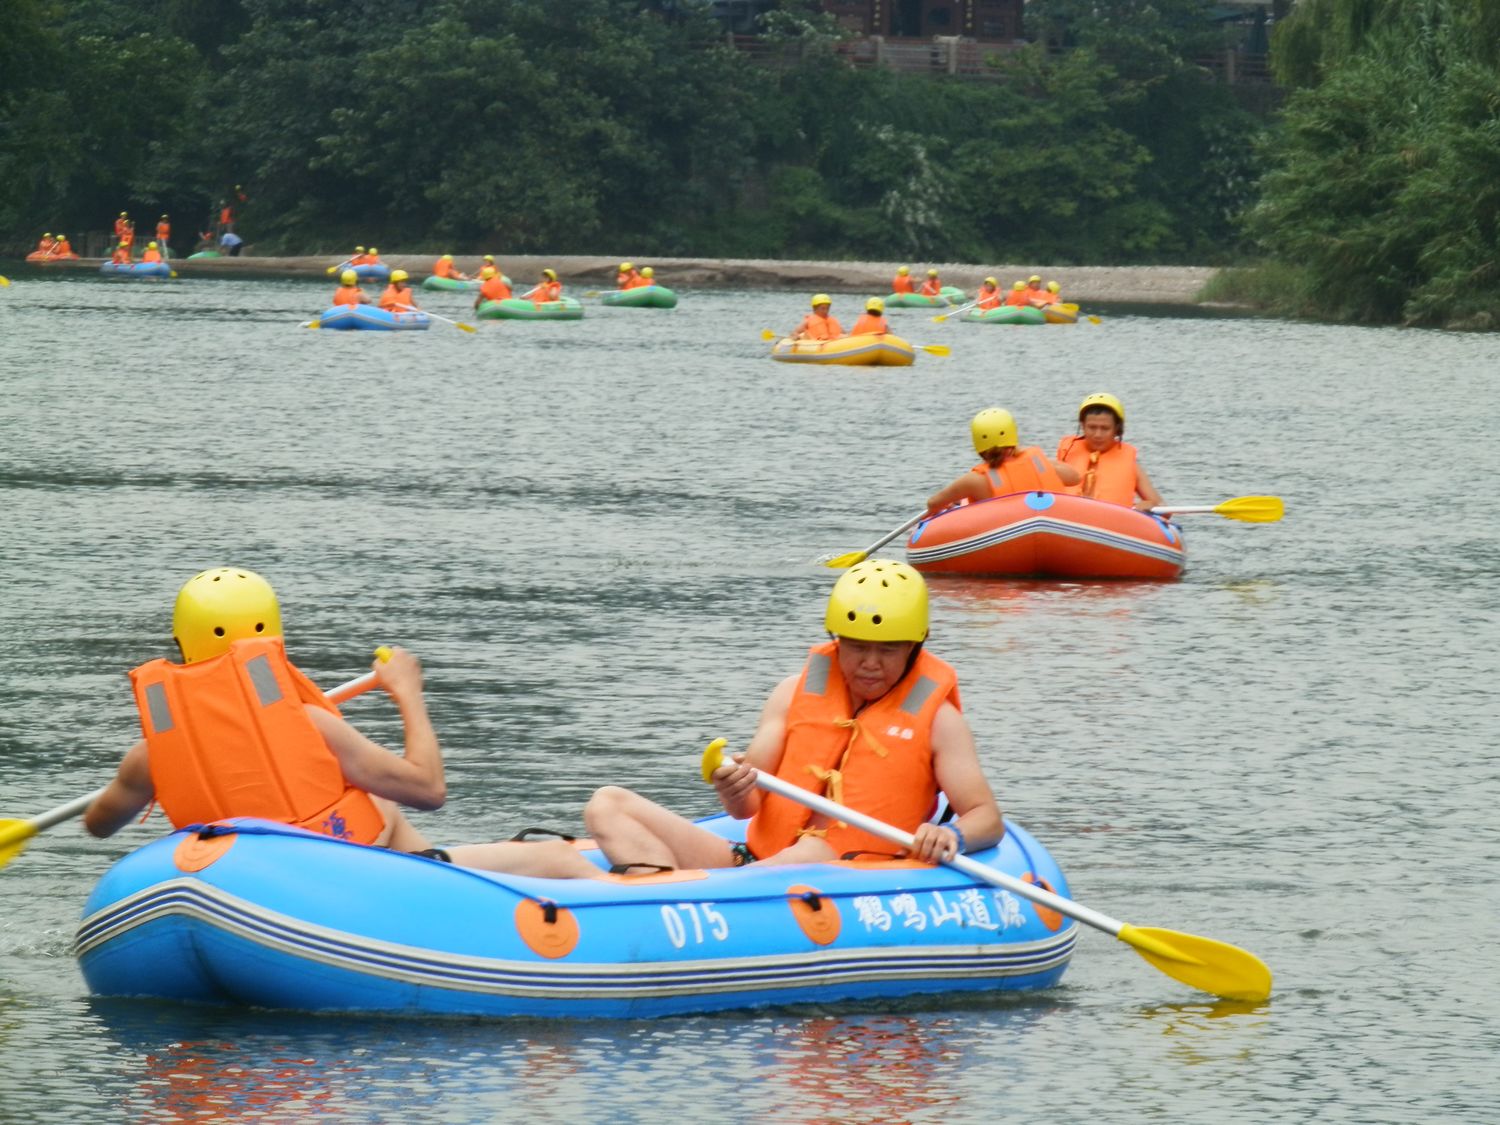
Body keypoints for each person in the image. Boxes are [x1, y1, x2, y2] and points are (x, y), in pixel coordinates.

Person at [83, 568, 601, 879]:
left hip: (237, 883)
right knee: (557, 856)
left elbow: (98, 825)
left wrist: (145, 778)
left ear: (181, 643)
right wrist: (407, 694)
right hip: (362, 885)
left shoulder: (150, 756)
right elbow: (429, 788)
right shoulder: (311, 724)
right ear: (271, 641)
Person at [582, 560, 1004, 871]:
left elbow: (987, 817)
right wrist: (732, 788)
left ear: (916, 643)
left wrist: (952, 833)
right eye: (856, 647)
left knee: (808, 854)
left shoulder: (940, 722)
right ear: (836, 639)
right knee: (607, 804)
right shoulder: (791, 694)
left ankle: (667, 892)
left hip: (847, 869)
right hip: (755, 858)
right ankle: (656, 889)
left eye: (887, 649)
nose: (870, 663)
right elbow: (746, 807)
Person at [924, 408, 1081, 517]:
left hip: (1006, 540)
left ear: (979, 445)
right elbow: (1074, 477)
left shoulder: (974, 480)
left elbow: (933, 503)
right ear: (1013, 437)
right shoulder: (1039, 463)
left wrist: (948, 506)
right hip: (1051, 526)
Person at [1055, 393, 1165, 512]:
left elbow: (1162, 507)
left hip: (1112, 522)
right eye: (1092, 427)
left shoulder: (1131, 464)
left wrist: (1149, 504)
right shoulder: (1066, 453)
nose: (1098, 435)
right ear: (1082, 426)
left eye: (1105, 428)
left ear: (1116, 428)